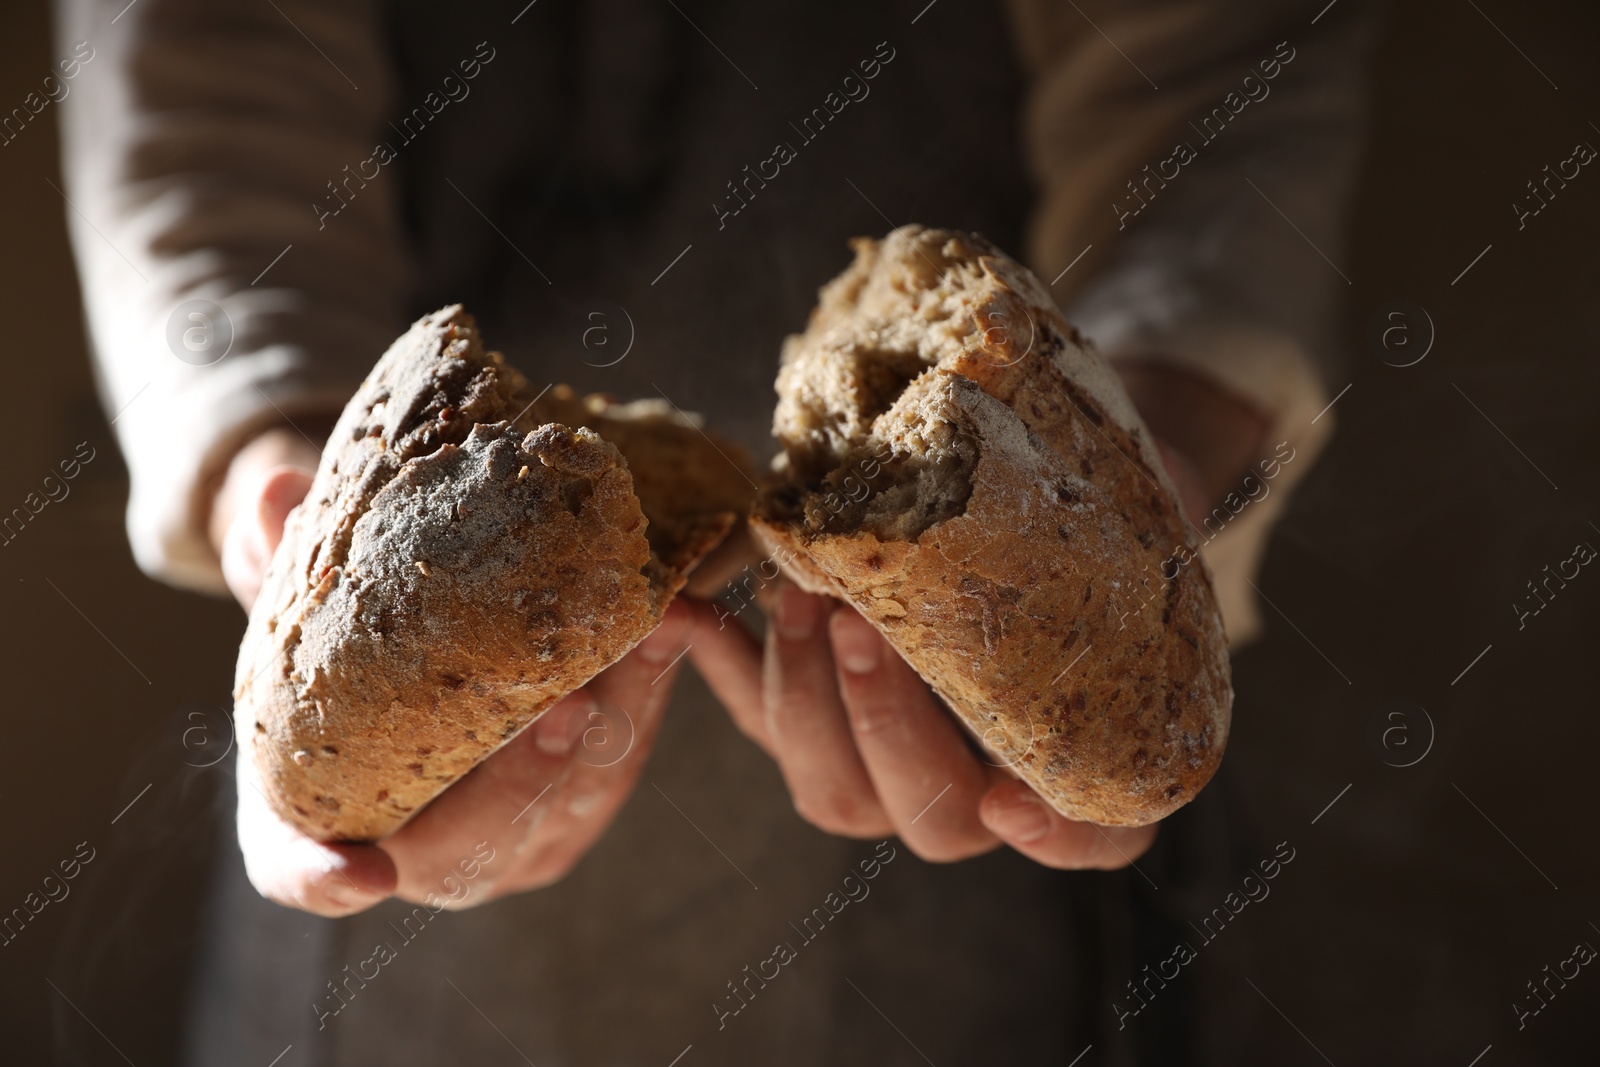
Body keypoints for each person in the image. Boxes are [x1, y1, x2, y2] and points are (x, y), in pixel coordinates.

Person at [59, 0, 1373, 1061]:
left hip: (966, 831)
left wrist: (1137, 477)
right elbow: (204, 70)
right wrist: (281, 496)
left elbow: (1221, 75)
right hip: (418, 894)